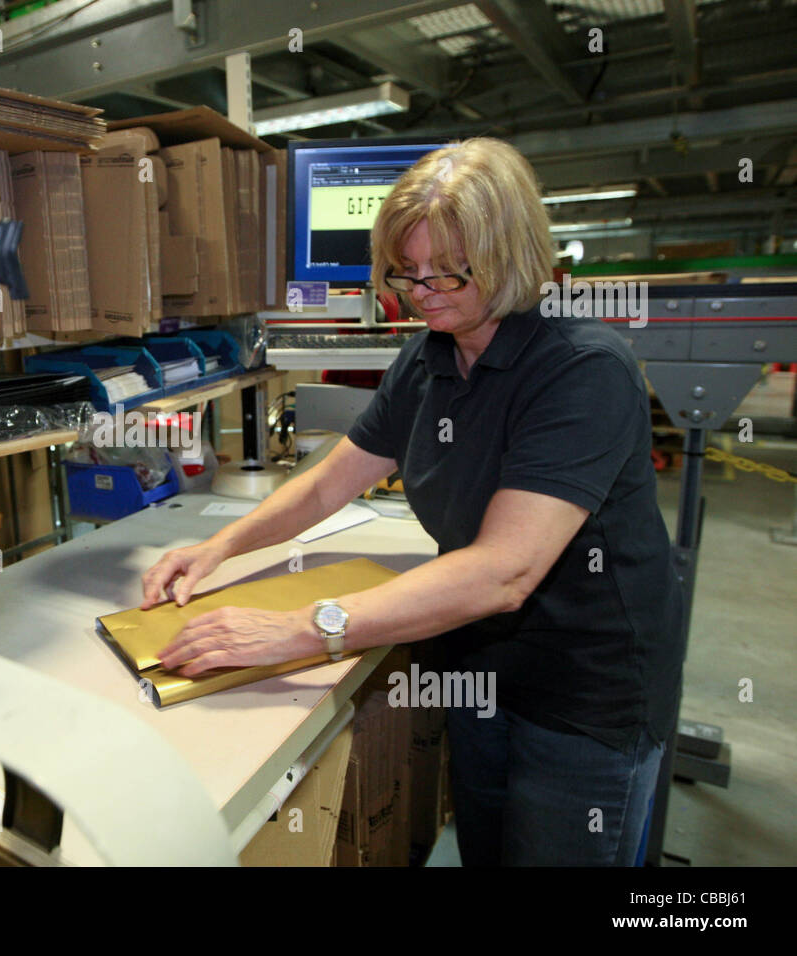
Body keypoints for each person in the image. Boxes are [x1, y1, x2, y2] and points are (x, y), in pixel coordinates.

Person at [139, 137, 684, 866]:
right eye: (408, 271)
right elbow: (336, 478)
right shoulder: (428, 355)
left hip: (587, 693)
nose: (422, 291)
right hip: (480, 664)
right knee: (489, 848)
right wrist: (221, 545)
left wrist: (302, 629)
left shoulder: (582, 369)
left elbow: (503, 572)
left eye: (448, 273)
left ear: (511, 254)